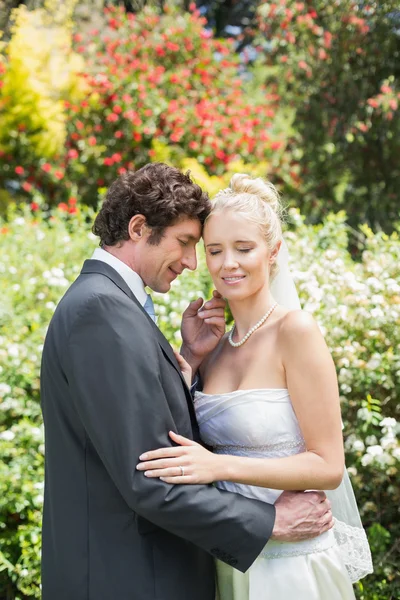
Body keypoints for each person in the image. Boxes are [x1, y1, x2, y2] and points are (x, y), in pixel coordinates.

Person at [40, 164, 334, 600]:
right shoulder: (101, 311)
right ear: (139, 228)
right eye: (190, 244)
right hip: (126, 576)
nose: (195, 263)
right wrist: (269, 521)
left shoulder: (111, 304)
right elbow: (149, 476)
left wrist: (190, 361)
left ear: (272, 252)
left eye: (238, 247)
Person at [137, 173, 373, 600]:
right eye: (214, 250)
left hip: (293, 567)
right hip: (231, 561)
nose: (228, 263)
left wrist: (220, 466)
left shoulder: (295, 332)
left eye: (244, 248)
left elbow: (327, 465)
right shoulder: (216, 349)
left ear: (273, 252)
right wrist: (190, 355)